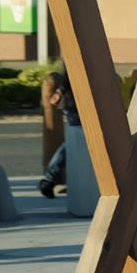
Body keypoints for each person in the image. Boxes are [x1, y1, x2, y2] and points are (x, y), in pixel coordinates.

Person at [37, 65, 81, 199]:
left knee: (76, 140)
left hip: (75, 98)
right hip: (77, 99)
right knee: (76, 140)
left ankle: (49, 179)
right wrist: (61, 91)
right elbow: (72, 71)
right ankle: (49, 178)